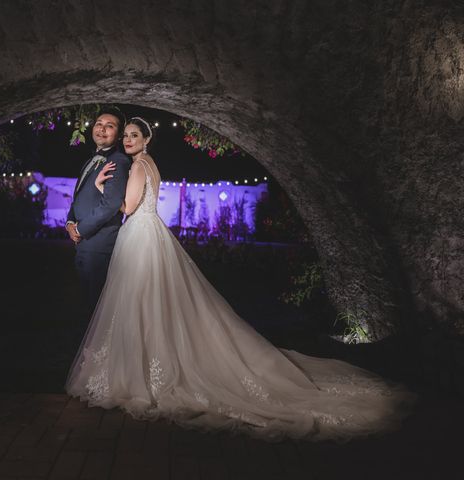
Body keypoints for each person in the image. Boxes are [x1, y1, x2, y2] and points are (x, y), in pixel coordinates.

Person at [65, 117, 416, 442]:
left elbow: (126, 208)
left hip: (139, 236)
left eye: (133, 135)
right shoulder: (152, 165)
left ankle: (141, 369)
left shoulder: (138, 165)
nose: (127, 140)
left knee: (138, 301)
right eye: (125, 135)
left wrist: (99, 185)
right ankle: (148, 359)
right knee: (154, 301)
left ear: (146, 140)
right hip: (152, 233)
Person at [65, 107, 131, 324]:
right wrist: (70, 222)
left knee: (97, 309)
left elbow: (111, 204)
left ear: (118, 135)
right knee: (86, 302)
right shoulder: (90, 160)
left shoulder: (119, 161)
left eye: (109, 126)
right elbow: (79, 196)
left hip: (99, 243)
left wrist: (81, 230)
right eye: (99, 124)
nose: (102, 129)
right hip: (84, 241)